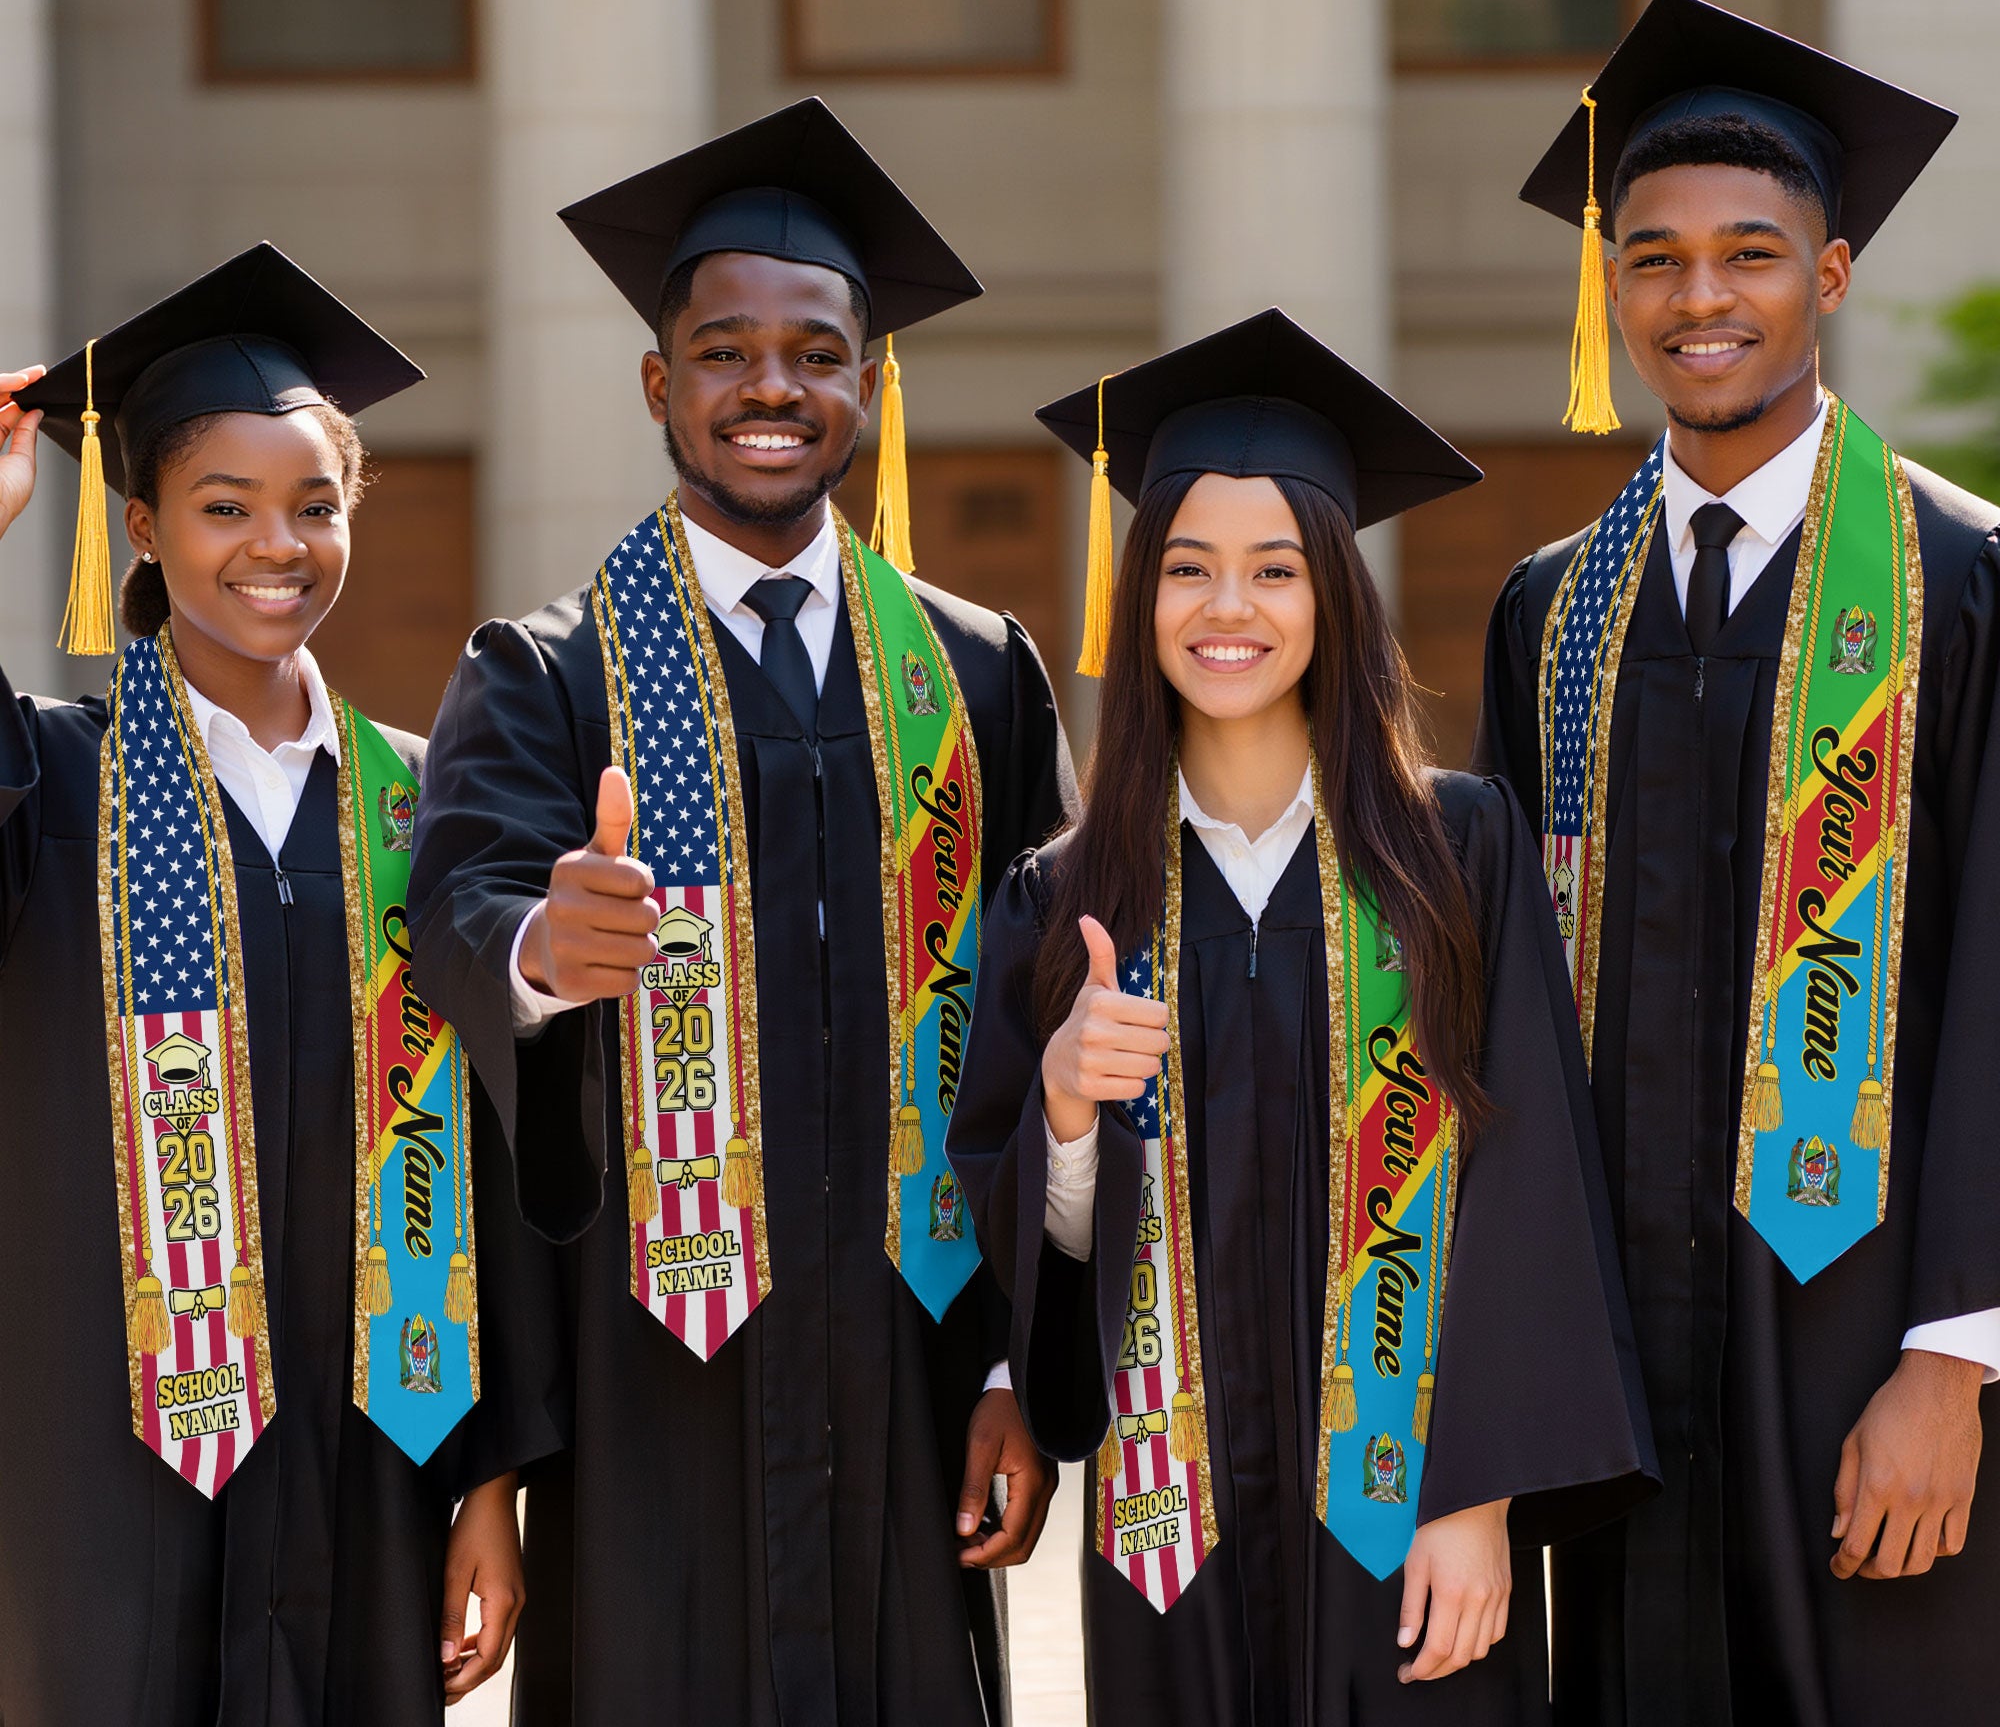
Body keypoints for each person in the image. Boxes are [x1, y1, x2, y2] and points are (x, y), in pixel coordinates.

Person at [406, 98, 1076, 1722]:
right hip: (654, 1386)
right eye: (722, 351)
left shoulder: (975, 673)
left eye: (816, 351)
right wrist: (541, 954)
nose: (770, 387)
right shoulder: (549, 674)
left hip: (916, 1373)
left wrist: (1016, 1370)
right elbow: (459, 910)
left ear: (870, 382)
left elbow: (1049, 1024)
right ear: (660, 383)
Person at [949, 309, 1655, 1725]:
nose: (1230, 610)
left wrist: (1478, 1495)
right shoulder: (1065, 896)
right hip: (1173, 1537)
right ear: (1139, 597)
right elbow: (1031, 1258)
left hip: (1413, 1523)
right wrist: (1070, 1116)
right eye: (1189, 569)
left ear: (1333, 595)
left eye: (1274, 570)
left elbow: (1533, 1187)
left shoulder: (1461, 855)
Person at [1477, 0, 2000, 1727]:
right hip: (1623, 1358)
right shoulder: (1553, 613)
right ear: (1609, 285)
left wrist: (1957, 1353)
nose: (1701, 298)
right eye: (1654, 256)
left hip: (1870, 1342)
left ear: (1831, 277)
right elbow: (1502, 1007)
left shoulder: (1964, 582)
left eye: (1752, 252)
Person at [0, 243, 564, 1726]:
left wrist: (493, 1487)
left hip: (371, 1452)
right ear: (138, 525)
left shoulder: (425, 811)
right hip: (98, 1470)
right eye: (224, 508)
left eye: (316, 507)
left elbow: (502, 1164)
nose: (277, 545)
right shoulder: (54, 783)